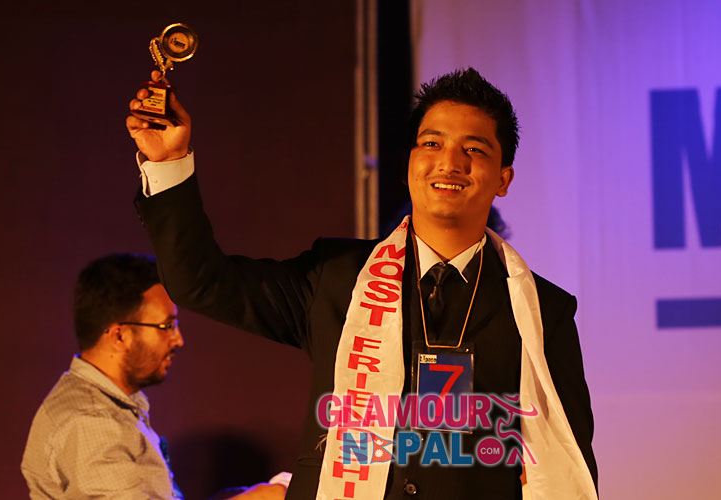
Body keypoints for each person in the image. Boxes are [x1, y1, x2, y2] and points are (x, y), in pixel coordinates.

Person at [126, 68, 598, 500]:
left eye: (473, 149)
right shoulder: (336, 276)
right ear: (409, 163)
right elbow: (200, 282)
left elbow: (569, 462)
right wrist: (169, 163)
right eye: (431, 144)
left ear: (503, 179)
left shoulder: (542, 311)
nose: (449, 162)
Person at [21, 254, 286, 500]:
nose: (178, 339)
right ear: (120, 336)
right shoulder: (92, 421)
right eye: (167, 326)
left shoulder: (107, 408)